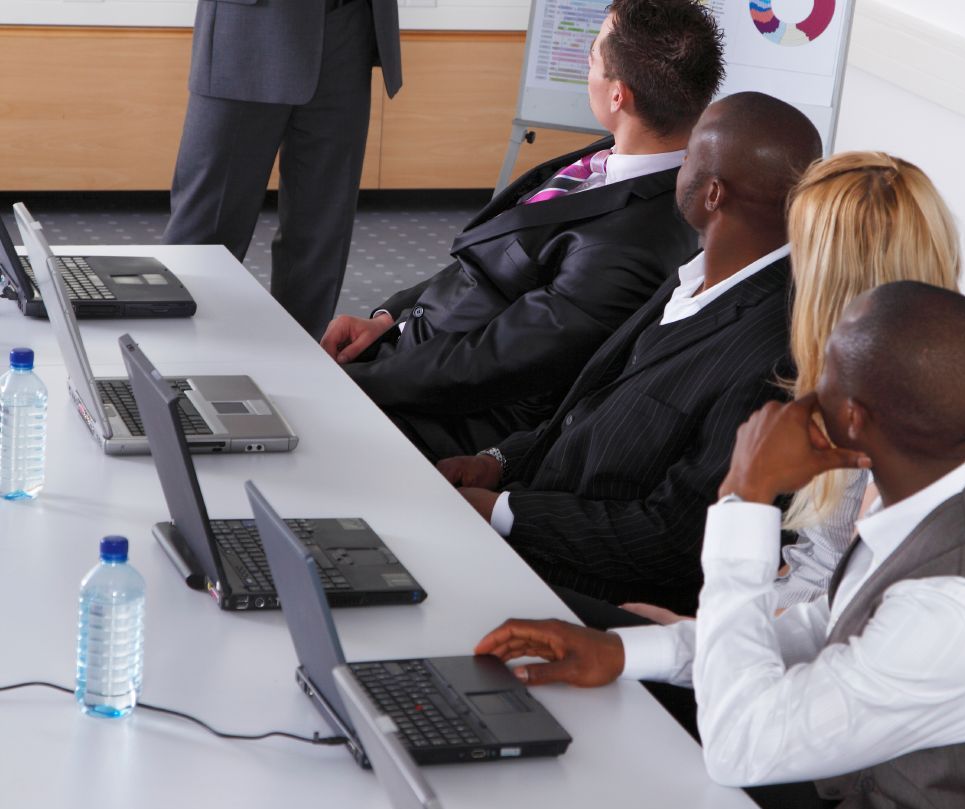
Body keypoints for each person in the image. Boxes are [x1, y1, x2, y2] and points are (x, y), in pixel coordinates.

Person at [476, 282, 965, 809]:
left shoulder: (956, 611)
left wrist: (745, 495)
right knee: (598, 678)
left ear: (851, 419)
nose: (808, 386)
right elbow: (834, 624)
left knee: (594, 797)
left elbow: (741, 747)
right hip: (879, 773)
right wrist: (628, 650)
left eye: (828, 370)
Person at [439, 92, 823, 615]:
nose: (679, 166)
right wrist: (498, 461)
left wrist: (505, 512)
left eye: (689, 156)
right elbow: (591, 412)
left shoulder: (773, 353)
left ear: (713, 193)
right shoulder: (700, 273)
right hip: (532, 520)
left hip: (591, 597)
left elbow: (676, 537)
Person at [320, 0, 723, 460]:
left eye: (592, 56)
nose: (587, 64)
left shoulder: (629, 244)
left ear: (618, 96)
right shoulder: (620, 155)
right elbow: (486, 260)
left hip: (460, 415)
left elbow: (493, 362)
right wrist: (388, 319)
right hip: (415, 353)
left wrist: (350, 382)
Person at [625, 151, 962, 625]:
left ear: (828, 273)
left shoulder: (898, 421)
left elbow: (845, 616)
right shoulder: (903, 365)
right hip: (776, 616)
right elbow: (815, 565)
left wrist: (691, 633)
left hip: (791, 646)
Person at [163, 0, 401, 339]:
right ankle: (172, 353)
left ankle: (300, 353)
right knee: (207, 223)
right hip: (251, 24)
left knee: (322, 229)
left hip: (348, 22)